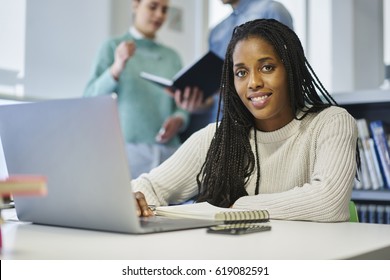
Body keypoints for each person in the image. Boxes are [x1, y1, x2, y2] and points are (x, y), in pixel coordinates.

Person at [133, 19, 359, 222]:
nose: (253, 82)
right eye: (241, 73)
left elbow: (329, 202)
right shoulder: (216, 138)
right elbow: (149, 186)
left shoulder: (331, 123)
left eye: (267, 67)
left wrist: (236, 208)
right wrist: (135, 199)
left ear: (292, 69)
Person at [84, 0, 198, 178]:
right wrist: (116, 67)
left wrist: (179, 118)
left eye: (164, 10)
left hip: (170, 156)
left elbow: (181, 104)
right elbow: (90, 97)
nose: (160, 15)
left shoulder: (172, 57)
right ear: (135, 4)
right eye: (153, 6)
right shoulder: (112, 47)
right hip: (126, 155)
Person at [178, 0, 294, 142]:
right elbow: (220, 92)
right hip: (225, 125)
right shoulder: (217, 31)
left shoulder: (271, 10)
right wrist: (200, 104)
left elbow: (288, 69)